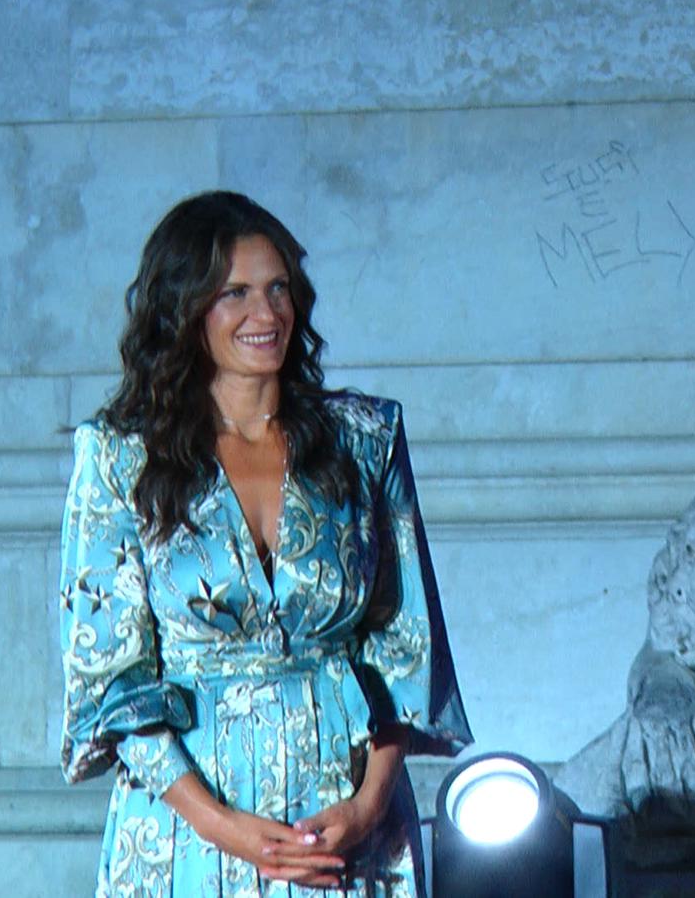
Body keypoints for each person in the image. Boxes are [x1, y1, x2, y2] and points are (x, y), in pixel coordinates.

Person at [58, 191, 471, 895]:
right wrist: (222, 827)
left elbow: (405, 648)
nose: (267, 313)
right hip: (188, 832)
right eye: (236, 293)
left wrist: (369, 807)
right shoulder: (120, 458)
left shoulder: (365, 441)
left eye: (278, 288)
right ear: (185, 309)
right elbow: (111, 681)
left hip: (342, 823)